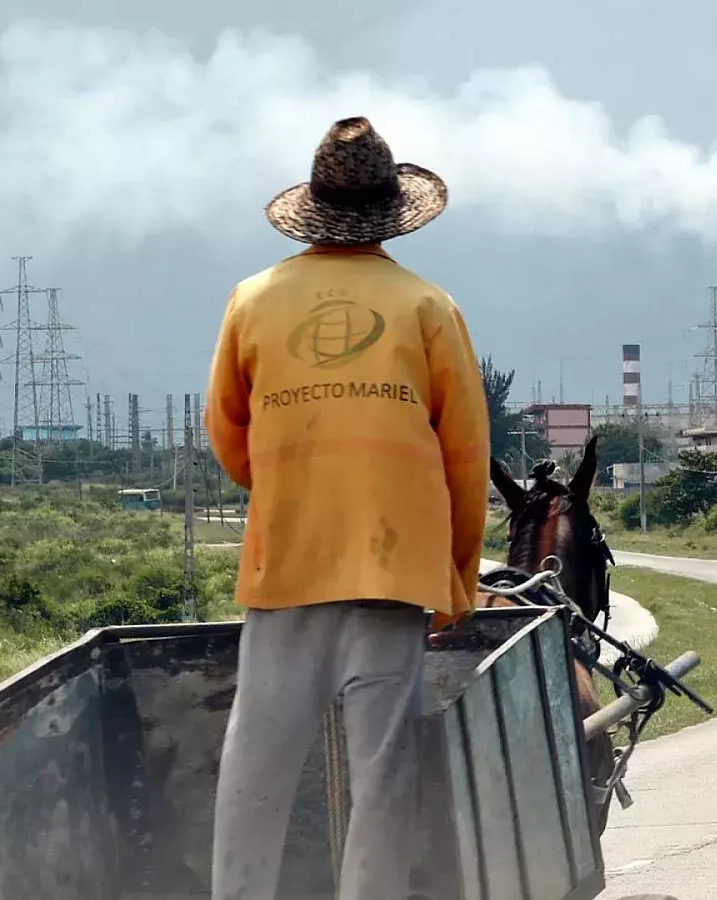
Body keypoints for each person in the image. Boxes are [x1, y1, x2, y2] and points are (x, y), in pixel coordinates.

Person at [205, 116, 490, 900]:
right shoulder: (429, 308)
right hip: (394, 569)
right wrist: (457, 578)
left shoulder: (252, 301)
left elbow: (227, 432)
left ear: (316, 207)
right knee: (382, 775)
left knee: (255, 768)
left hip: (287, 563)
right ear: (393, 211)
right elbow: (465, 460)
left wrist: (291, 492)